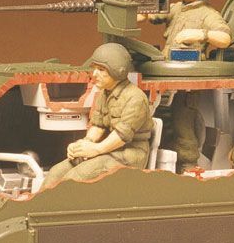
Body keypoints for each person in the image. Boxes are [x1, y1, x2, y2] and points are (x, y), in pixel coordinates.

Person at [42, 43, 153, 188]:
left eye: (101, 70)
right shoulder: (104, 94)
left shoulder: (135, 98)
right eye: (94, 68)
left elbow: (121, 136)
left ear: (117, 71)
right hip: (108, 149)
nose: (94, 74)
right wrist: (83, 144)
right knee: (56, 173)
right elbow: (98, 125)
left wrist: (97, 149)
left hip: (130, 154)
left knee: (77, 177)